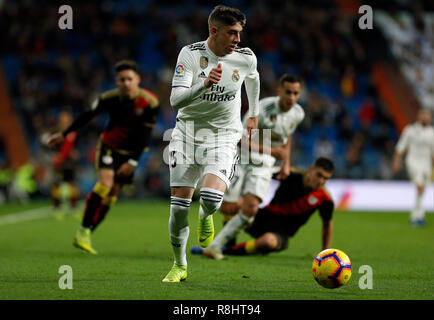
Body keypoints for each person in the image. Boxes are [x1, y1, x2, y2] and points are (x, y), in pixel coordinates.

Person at [163, 5, 260, 282]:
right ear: (214, 31)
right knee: (179, 209)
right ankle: (179, 265)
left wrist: (252, 114)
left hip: (224, 135)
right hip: (187, 133)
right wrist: (203, 85)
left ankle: (207, 215)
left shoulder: (245, 57)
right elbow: (175, 101)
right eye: (232, 33)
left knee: (211, 198)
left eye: (240, 33)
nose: (238, 40)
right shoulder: (191, 55)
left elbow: (253, 78)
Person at [47, 60, 159, 254]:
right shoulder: (108, 98)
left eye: (129, 79)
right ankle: (83, 231)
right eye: (122, 79)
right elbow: (87, 116)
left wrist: (132, 162)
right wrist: (64, 134)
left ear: (137, 80)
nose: (126, 83)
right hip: (109, 148)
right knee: (105, 185)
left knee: (112, 196)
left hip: (130, 153)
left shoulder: (150, 103)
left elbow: (145, 135)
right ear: (116, 81)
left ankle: (87, 232)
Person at [204, 74, 305, 260]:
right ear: (279, 91)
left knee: (251, 208)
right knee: (228, 207)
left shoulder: (298, 113)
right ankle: (226, 243)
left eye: (295, 93)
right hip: (242, 159)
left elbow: (287, 138)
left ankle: (216, 246)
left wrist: (286, 164)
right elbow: (241, 140)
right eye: (288, 92)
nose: (291, 97)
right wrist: (275, 152)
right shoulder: (262, 109)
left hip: (263, 164)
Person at [192, 157, 334, 258]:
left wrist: (324, 253)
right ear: (310, 170)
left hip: (281, 234)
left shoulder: (325, 199)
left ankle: (224, 249)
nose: (321, 181)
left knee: (268, 242)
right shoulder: (290, 174)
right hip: (262, 218)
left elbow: (327, 225)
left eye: (326, 178)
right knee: (232, 205)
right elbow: (261, 174)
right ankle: (225, 244)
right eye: (319, 175)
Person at [393, 109, 434, 227]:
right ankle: (420, 216)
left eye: (428, 116)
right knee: (420, 186)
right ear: (419, 116)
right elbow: (401, 146)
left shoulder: (432, 132)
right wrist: (396, 161)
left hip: (426, 164)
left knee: (421, 190)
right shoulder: (410, 130)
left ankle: (415, 216)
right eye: (424, 115)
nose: (427, 118)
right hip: (413, 162)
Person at [50, 110, 80, 220]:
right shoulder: (55, 132)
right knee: (57, 185)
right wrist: (55, 155)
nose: (65, 121)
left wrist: (75, 153)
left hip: (69, 164)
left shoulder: (74, 132)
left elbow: (77, 148)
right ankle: (57, 209)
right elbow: (50, 145)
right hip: (58, 164)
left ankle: (74, 208)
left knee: (72, 185)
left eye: (67, 118)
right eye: (63, 118)